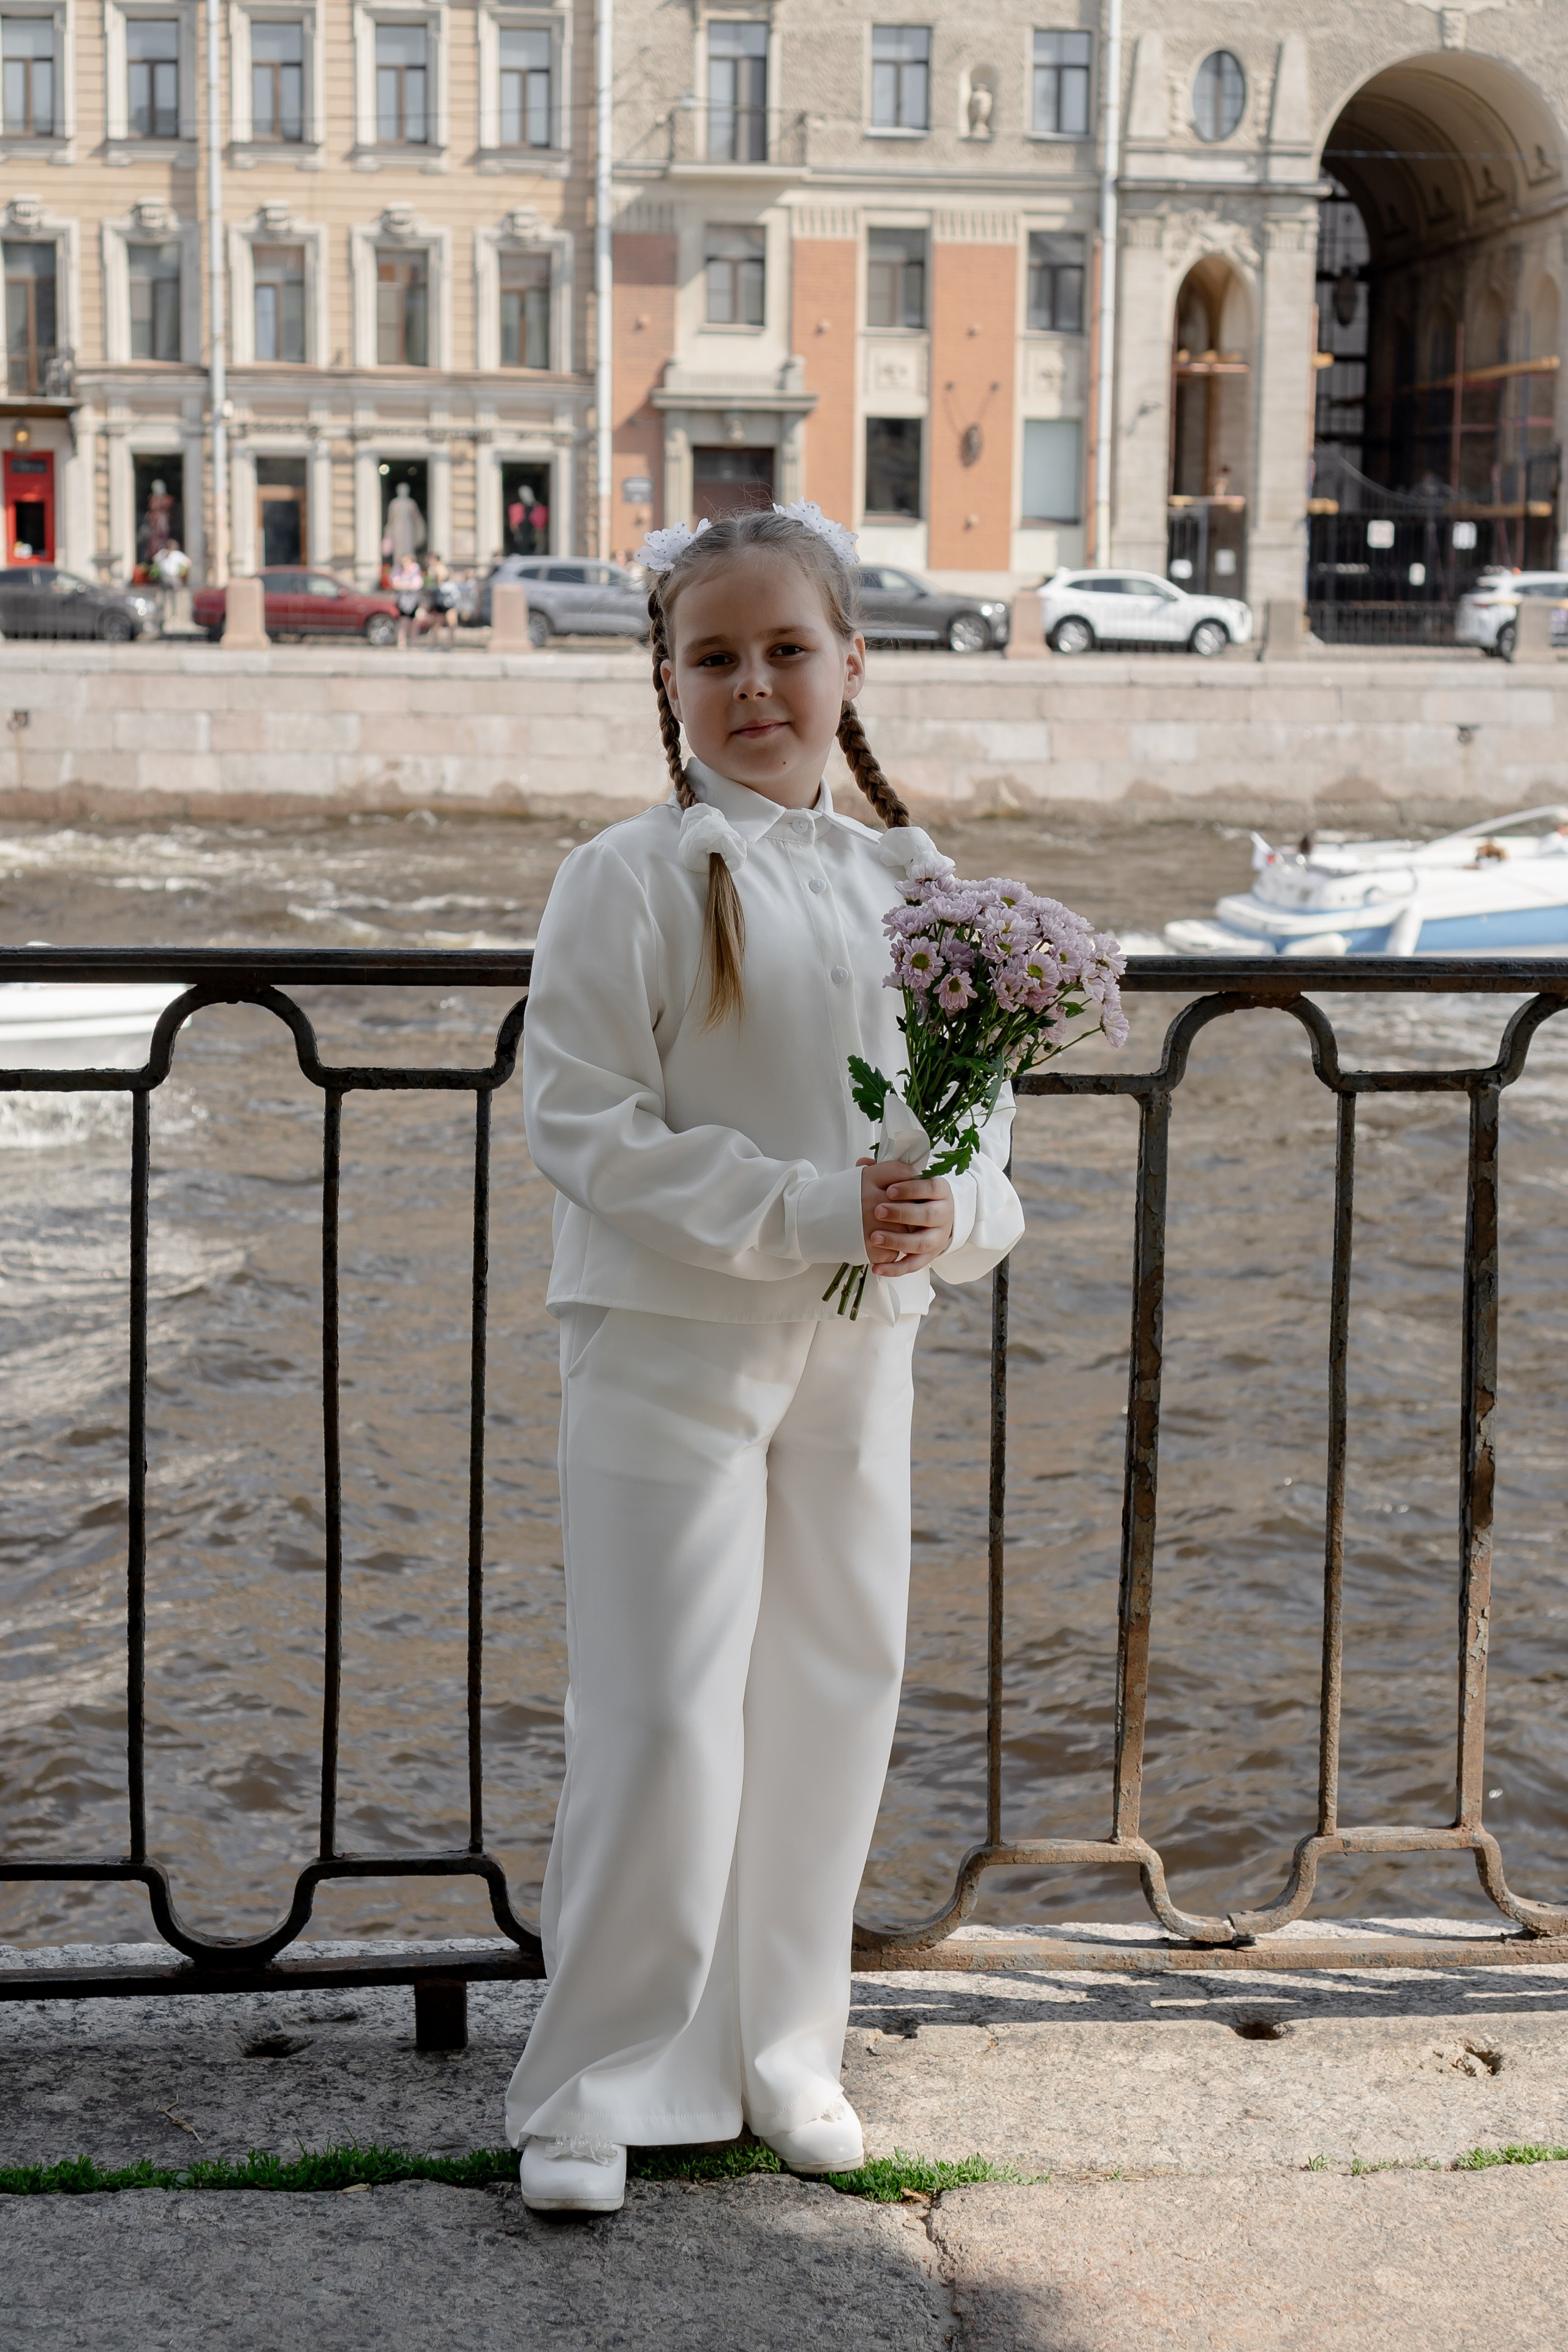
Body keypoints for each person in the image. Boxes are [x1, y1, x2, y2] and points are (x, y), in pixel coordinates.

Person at [504, 503, 1025, 2215]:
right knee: (658, 1709)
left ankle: (788, 2050)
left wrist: (950, 1214)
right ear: (668, 680)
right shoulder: (626, 878)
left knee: (832, 1689)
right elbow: (586, 1122)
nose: (753, 686)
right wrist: (814, 1206)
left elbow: (986, 1142)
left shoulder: (918, 886)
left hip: (861, 1353)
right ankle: (593, 2083)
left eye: (785, 650)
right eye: (714, 656)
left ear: (848, 665)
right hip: (667, 1344)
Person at [390, 552, 423, 649]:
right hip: (402, 600)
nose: (404, 563)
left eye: (406, 561)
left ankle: (413, 642)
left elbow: (417, 585)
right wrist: (408, 585)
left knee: (415, 622)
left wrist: (403, 585)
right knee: (403, 621)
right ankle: (401, 642)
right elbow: (395, 584)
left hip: (414, 600)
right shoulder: (397, 569)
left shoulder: (415, 569)